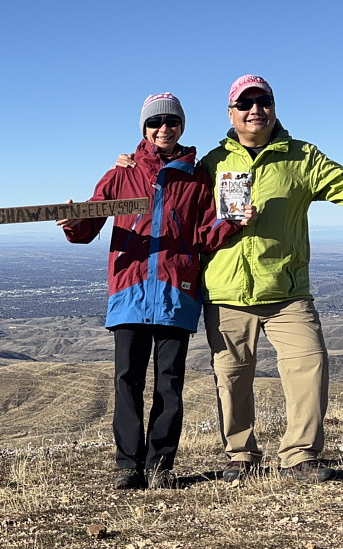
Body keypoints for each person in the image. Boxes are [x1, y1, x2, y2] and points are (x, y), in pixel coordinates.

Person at [118, 75, 343, 484]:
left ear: (273, 106)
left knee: (309, 364)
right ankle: (240, 456)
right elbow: (173, 195)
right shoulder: (212, 163)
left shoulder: (302, 157)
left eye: (263, 101)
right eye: (245, 104)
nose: (255, 110)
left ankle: (300, 455)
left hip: (286, 290)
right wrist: (134, 163)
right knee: (232, 377)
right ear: (231, 113)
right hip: (227, 290)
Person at [57, 92, 256, 490]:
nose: (163, 128)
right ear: (144, 128)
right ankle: (128, 466)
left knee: (170, 383)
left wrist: (233, 222)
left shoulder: (197, 177)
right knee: (127, 381)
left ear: (181, 126)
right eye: (155, 122)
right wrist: (73, 221)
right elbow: (89, 227)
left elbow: (203, 235)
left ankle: (161, 466)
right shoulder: (121, 174)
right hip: (129, 290)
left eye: (171, 121)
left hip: (176, 290)